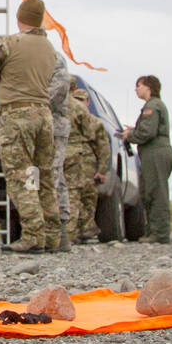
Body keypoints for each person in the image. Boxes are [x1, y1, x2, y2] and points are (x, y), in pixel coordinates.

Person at [0, 0, 58, 252]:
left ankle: (34, 236)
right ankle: (53, 236)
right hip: (44, 114)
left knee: (20, 176)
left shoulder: (10, 43)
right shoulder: (50, 49)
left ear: (20, 18)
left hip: (17, 114)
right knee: (43, 175)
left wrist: (1, 76)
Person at [122, 75, 172, 243]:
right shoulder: (154, 106)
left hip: (155, 153)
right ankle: (154, 231)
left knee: (156, 192)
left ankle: (159, 234)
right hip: (154, 153)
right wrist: (135, 129)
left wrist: (129, 135)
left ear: (148, 87)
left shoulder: (152, 106)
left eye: (139, 85)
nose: (136, 89)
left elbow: (147, 133)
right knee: (149, 191)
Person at [65, 88, 109, 242]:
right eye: (75, 99)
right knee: (72, 195)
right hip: (71, 161)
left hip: (88, 164)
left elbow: (103, 148)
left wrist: (102, 170)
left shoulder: (94, 122)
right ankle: (74, 231)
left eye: (81, 100)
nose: (78, 103)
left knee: (88, 198)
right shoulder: (66, 117)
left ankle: (86, 228)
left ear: (87, 102)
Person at [48, 54, 72, 251]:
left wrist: (36, 104)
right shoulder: (32, 57)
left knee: (53, 176)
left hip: (54, 125)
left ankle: (57, 235)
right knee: (52, 177)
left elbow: (61, 84)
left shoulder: (53, 57)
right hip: (40, 125)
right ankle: (57, 235)